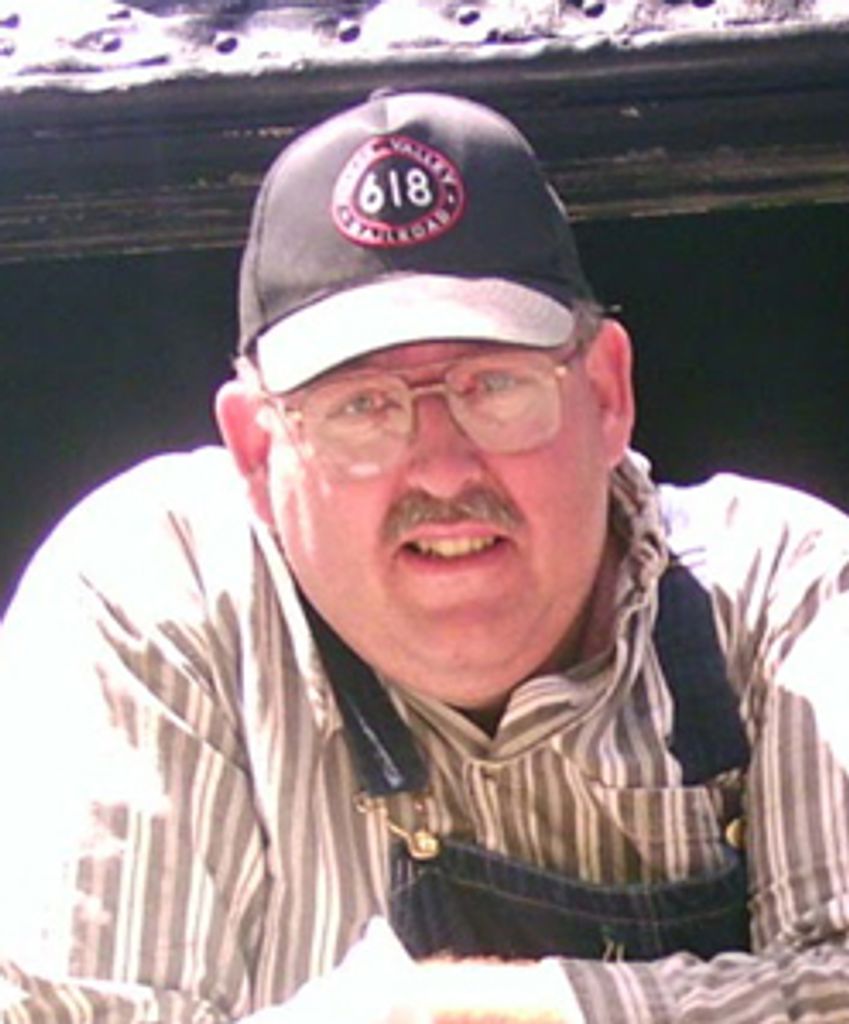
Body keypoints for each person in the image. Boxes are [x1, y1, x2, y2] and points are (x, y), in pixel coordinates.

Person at [1, 89, 849, 1024]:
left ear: (607, 394)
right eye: (361, 407)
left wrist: (449, 1012)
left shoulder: (786, 590)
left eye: (494, 385)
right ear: (255, 451)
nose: (442, 469)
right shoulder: (154, 591)